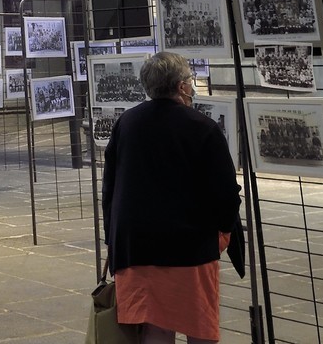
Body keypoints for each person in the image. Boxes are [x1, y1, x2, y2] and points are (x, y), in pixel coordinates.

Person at [102, 51, 243, 344]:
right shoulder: (202, 127)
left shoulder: (126, 122)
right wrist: (224, 232)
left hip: (136, 246)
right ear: (181, 86)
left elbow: (111, 186)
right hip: (189, 247)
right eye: (190, 80)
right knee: (199, 326)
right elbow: (226, 191)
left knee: (154, 328)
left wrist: (112, 237)